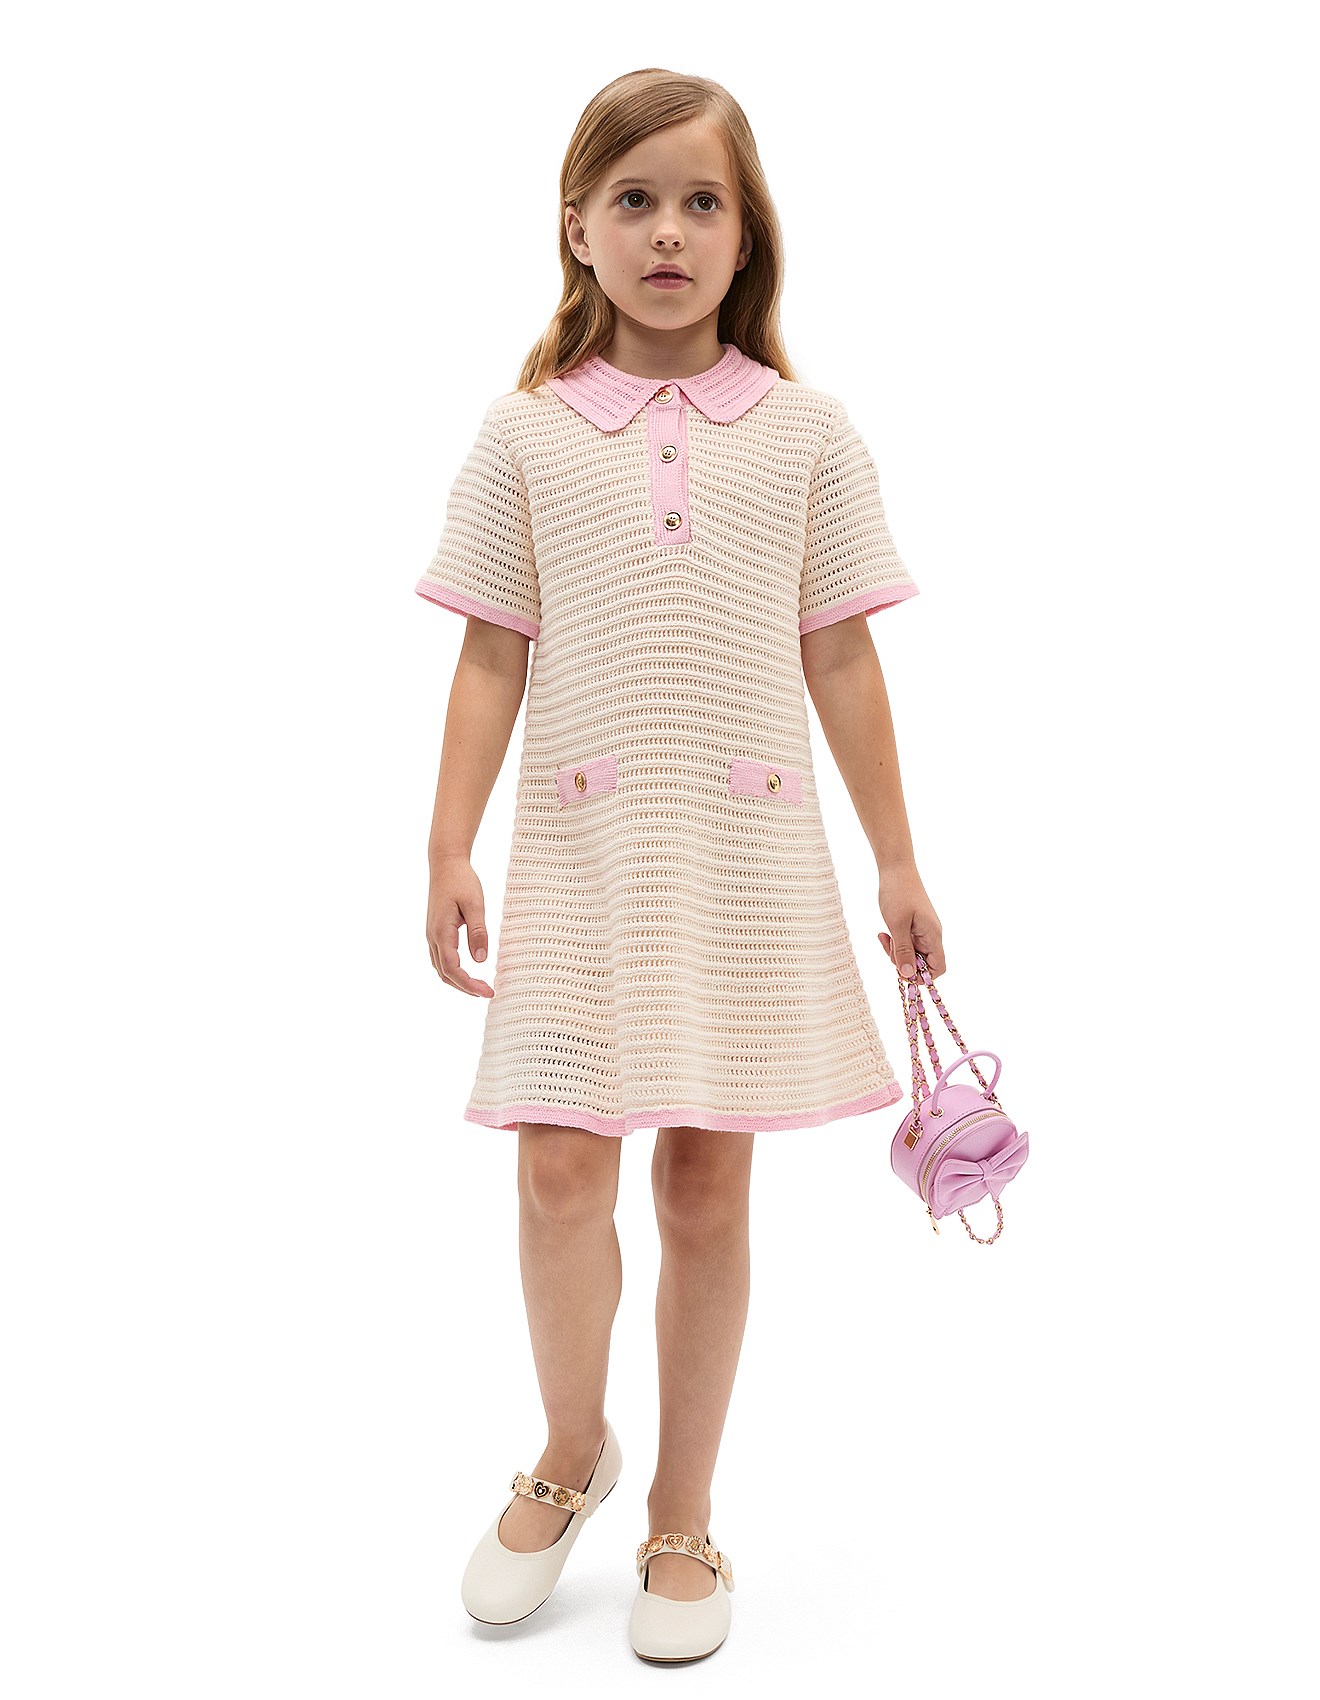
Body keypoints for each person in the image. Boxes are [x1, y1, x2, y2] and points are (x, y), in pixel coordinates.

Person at [416, 67, 945, 1664]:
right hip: (579, 854)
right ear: (577, 227)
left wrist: (899, 861)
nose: (667, 231)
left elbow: (840, 653)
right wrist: (447, 841)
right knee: (558, 1167)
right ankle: (571, 1451)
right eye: (634, 198)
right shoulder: (524, 433)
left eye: (701, 202)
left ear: (746, 234)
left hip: (744, 851)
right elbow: (491, 653)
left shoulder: (807, 434)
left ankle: (683, 1512)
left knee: (708, 1180)